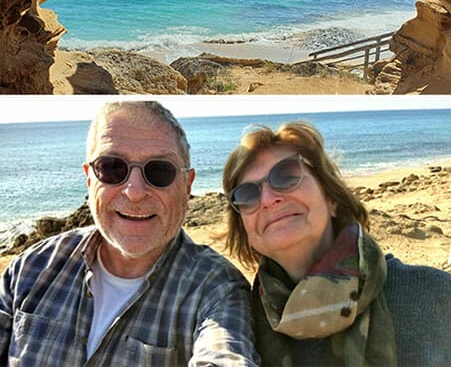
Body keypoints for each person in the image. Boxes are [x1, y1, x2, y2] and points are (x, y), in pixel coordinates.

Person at [0, 100, 259, 366]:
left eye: (159, 171)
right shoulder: (30, 269)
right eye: (112, 168)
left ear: (187, 185)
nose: (134, 192)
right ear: (90, 179)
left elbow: (225, 353)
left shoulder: (217, 289)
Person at [222, 121, 451, 367]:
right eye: (247, 195)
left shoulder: (435, 296)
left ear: (330, 196)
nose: (268, 199)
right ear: (245, 230)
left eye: (287, 175)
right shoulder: (237, 326)